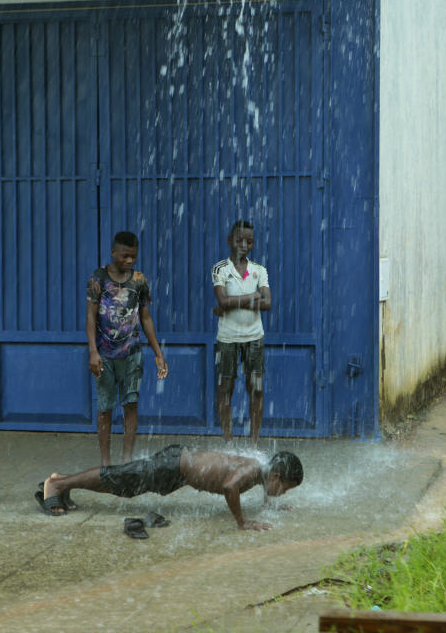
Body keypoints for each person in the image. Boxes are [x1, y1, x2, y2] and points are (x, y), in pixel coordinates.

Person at [35, 445, 303, 531]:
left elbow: (256, 486)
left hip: (177, 470)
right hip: (173, 467)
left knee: (123, 484)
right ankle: (57, 484)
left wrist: (272, 503)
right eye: (285, 489)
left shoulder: (262, 470)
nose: (283, 492)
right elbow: (230, 487)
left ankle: (63, 480)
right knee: (120, 480)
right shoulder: (254, 470)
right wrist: (242, 522)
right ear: (276, 476)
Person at [86, 231, 169, 466]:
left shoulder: (139, 280)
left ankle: (127, 460)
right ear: (113, 253)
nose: (129, 261)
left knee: (131, 405)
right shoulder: (98, 279)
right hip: (104, 355)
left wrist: (158, 353)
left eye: (133, 256)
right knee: (105, 408)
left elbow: (146, 318)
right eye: (124, 256)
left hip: (132, 354)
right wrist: (93, 351)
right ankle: (105, 462)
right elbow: (90, 318)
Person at [211, 221, 272, 442]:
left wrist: (229, 303)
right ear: (230, 241)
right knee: (225, 387)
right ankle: (228, 440)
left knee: (256, 389)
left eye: (249, 241)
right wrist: (253, 297)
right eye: (239, 240)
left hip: (254, 337)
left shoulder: (259, 270)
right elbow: (222, 300)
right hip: (227, 339)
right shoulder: (220, 269)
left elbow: (267, 303)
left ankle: (253, 442)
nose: (244, 245)